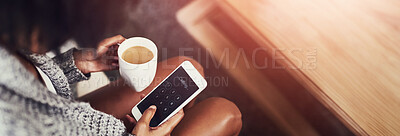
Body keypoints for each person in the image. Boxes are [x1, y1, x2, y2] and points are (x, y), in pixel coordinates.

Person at [0, 0, 242, 135]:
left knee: (188, 68)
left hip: (78, 117)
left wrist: (78, 63)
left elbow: (39, 87)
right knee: (226, 113)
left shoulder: (11, 36)